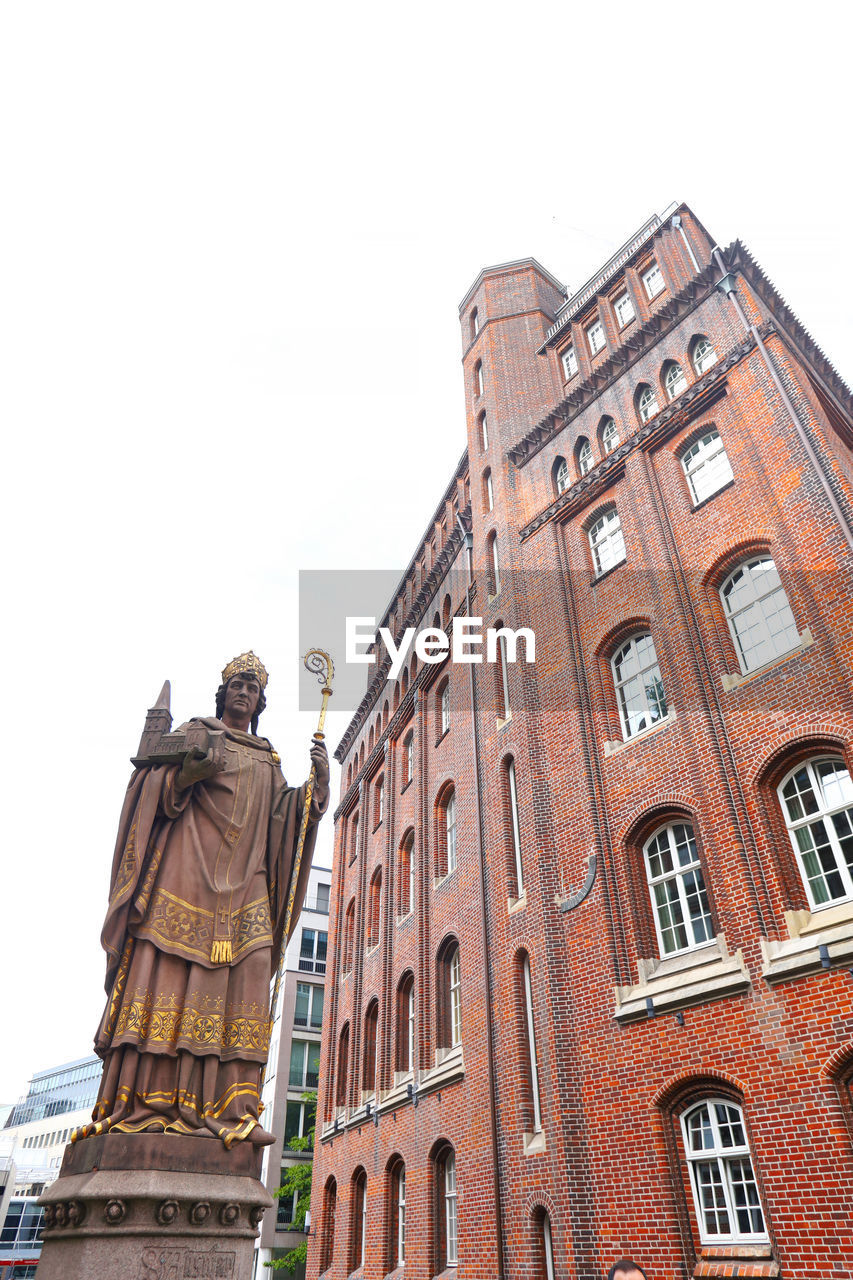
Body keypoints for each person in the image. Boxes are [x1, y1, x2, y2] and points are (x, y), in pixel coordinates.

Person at [77, 651, 329, 1148]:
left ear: (260, 702)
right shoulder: (197, 733)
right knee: (164, 973)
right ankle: (145, 1101)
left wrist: (312, 794)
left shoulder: (266, 758)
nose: (244, 693)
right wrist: (187, 774)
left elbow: (284, 827)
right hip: (185, 878)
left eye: (253, 689)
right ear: (224, 692)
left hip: (247, 890)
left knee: (253, 972)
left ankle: (235, 1106)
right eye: (237, 684)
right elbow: (154, 791)